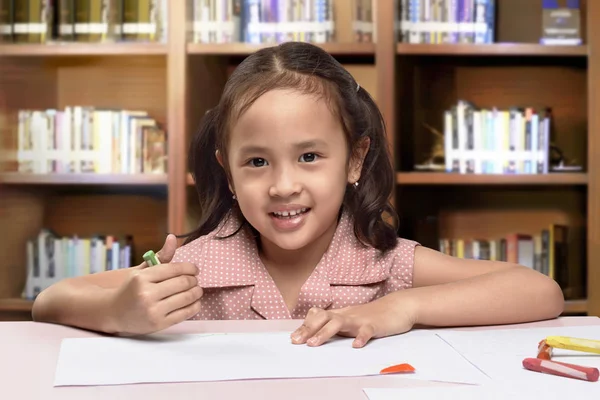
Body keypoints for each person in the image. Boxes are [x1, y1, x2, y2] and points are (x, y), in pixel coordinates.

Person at [32, 41, 564, 348]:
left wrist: (401, 309)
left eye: (310, 156)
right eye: (257, 162)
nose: (283, 185)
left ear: (355, 160)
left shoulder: (386, 264)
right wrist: (121, 312)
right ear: (228, 173)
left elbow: (539, 290)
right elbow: (49, 300)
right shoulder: (196, 264)